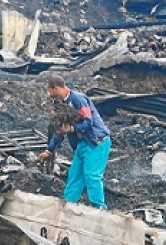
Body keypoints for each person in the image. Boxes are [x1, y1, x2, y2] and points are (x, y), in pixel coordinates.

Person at [38, 76, 112, 209]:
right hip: (82, 144)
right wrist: (49, 150)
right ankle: (68, 207)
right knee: (75, 176)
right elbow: (60, 130)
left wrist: (72, 129)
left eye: (49, 90)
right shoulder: (59, 104)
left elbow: (88, 122)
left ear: (56, 88)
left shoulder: (78, 100)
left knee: (92, 177)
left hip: (96, 142)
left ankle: (100, 211)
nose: (48, 94)